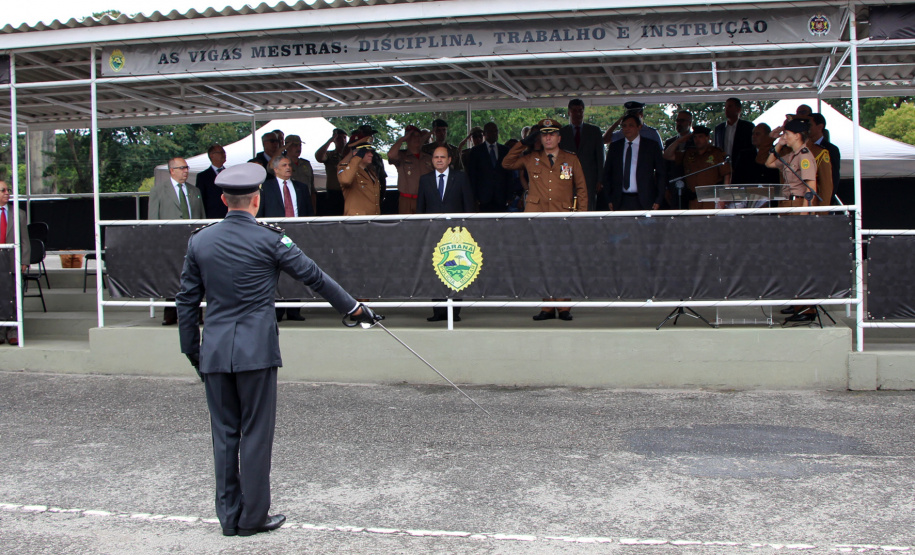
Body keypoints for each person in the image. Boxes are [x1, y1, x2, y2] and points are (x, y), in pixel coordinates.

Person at [175, 163, 380, 538]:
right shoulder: (271, 239)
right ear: (256, 200)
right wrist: (354, 308)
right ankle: (253, 517)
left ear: (223, 200)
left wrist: (193, 351)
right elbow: (314, 276)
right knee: (255, 433)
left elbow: (186, 301)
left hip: (216, 352)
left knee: (224, 435)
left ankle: (228, 517)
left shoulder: (199, 241)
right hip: (256, 351)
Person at [503, 119, 587, 321]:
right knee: (542, 262)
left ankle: (564, 306)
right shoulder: (531, 158)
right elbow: (507, 163)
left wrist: (582, 217)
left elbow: (582, 189)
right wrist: (524, 143)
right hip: (537, 218)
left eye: (552, 134)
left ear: (559, 137)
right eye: (544, 134)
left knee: (562, 262)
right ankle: (547, 306)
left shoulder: (571, 159)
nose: (548, 137)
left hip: (562, 217)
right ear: (539, 138)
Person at [418, 146, 476, 322]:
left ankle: (454, 312)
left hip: (456, 233)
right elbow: (421, 208)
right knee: (436, 271)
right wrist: (422, 230)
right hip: (433, 232)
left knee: (456, 270)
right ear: (432, 160)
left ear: (450, 160)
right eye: (436, 157)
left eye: (443, 157)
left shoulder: (460, 177)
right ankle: (438, 312)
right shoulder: (424, 179)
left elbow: (468, 205)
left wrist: (467, 229)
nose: (439, 160)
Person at [148, 157, 205, 325]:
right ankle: (170, 314)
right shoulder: (158, 191)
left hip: (192, 241)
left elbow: (201, 217)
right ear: (171, 170)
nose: (185, 171)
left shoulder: (195, 191)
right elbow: (153, 219)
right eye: (181, 168)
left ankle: (196, 314)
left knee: (195, 276)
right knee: (172, 276)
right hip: (169, 242)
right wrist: (157, 242)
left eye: (186, 167)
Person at [258, 156, 314, 323]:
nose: (288, 167)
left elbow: (309, 213)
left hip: (297, 234)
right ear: (275, 169)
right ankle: (276, 310)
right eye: (284, 165)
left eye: (289, 165)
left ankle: (294, 310)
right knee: (275, 272)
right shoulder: (265, 188)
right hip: (273, 236)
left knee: (296, 269)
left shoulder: (301, 187)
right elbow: (260, 213)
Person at [607, 114, 668, 211]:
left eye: (631, 125)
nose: (627, 128)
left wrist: (659, 199)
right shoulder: (615, 147)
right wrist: (609, 199)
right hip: (620, 200)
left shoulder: (651, 146)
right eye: (624, 126)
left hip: (645, 199)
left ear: (639, 127)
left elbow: (661, 174)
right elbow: (607, 173)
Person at [663, 126, 729, 209]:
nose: (697, 140)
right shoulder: (689, 153)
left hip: (712, 199)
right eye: (695, 137)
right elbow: (667, 155)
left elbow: (727, 173)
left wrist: (725, 196)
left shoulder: (717, 153)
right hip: (693, 200)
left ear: (707, 137)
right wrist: (679, 141)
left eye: (700, 136)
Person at [559, 99, 605, 211]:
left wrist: (600, 179)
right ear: (569, 112)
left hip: (589, 177)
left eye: (580, 110)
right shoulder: (562, 132)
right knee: (567, 206)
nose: (578, 114)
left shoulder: (594, 131)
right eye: (574, 111)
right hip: (567, 175)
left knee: (587, 206)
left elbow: (600, 157)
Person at [1, 180, 30, 346]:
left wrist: (24, 260)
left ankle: (13, 331)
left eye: (8, 190)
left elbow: (25, 240)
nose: (7, 193)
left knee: (13, 296)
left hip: (12, 261)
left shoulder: (18, 214)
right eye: (3, 190)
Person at [464, 122, 511, 212]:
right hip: (483, 197)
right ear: (484, 134)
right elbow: (472, 175)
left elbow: (509, 174)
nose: (494, 133)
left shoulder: (504, 150)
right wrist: (474, 197)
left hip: (501, 196)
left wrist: (509, 195)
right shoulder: (476, 151)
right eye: (490, 131)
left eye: (495, 131)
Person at [387, 125, 434, 214]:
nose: (416, 138)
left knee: (424, 226)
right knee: (406, 227)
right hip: (406, 200)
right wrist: (402, 139)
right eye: (413, 136)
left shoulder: (428, 158)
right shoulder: (401, 156)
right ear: (407, 138)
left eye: (418, 136)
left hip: (425, 199)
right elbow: (390, 155)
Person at [337, 143, 382, 216]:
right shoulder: (346, 169)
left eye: (371, 152)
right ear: (356, 153)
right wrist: (357, 157)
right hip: (357, 220)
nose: (371, 155)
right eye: (366, 152)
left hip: (372, 218)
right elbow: (345, 180)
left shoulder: (371, 171)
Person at [663, 110, 696, 208]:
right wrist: (665, 188)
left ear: (689, 123)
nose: (678, 123)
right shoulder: (670, 142)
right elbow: (664, 167)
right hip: (673, 188)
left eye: (682, 121)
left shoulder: (696, 140)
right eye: (677, 120)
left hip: (691, 188)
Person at [713, 98, 754, 173]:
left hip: (742, 168)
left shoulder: (748, 127)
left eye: (730, 106)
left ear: (738, 110)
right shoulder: (719, 129)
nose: (726, 109)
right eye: (725, 107)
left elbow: (751, 148)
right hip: (723, 168)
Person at [808, 113, 841, 205]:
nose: (807, 128)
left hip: (821, 200)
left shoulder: (831, 149)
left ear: (820, 127)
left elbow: (833, 178)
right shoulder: (803, 147)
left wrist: (827, 201)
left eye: (810, 125)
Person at [315, 128, 348, 216]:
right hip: (333, 193)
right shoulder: (330, 155)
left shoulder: (351, 155)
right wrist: (330, 141)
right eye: (339, 138)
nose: (343, 141)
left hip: (348, 193)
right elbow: (319, 157)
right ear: (335, 140)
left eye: (344, 138)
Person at [284, 135, 317, 213]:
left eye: (300, 145)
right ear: (287, 146)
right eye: (295, 145)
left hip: (306, 203)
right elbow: (270, 168)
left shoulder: (306, 163)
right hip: (290, 203)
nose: (298, 148)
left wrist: (313, 208)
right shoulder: (282, 164)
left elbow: (312, 188)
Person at [196, 145, 228, 219]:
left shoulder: (230, 173)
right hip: (212, 216)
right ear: (212, 155)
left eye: (224, 152)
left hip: (229, 215)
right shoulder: (203, 176)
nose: (224, 155)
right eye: (221, 152)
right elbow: (201, 199)